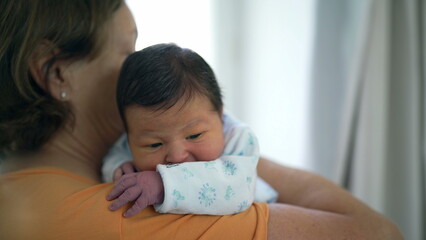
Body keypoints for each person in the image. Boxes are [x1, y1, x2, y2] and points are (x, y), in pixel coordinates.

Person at [0, 0, 403, 239]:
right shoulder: (125, 209)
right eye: (127, 52)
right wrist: (223, 142)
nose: (140, 71)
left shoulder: (23, 189)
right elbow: (376, 232)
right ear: (56, 73)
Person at [103, 43, 278, 217]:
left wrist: (164, 185)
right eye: (154, 144)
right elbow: (114, 155)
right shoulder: (132, 139)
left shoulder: (238, 137)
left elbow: (236, 189)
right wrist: (119, 167)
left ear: (220, 115)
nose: (177, 156)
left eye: (194, 135)